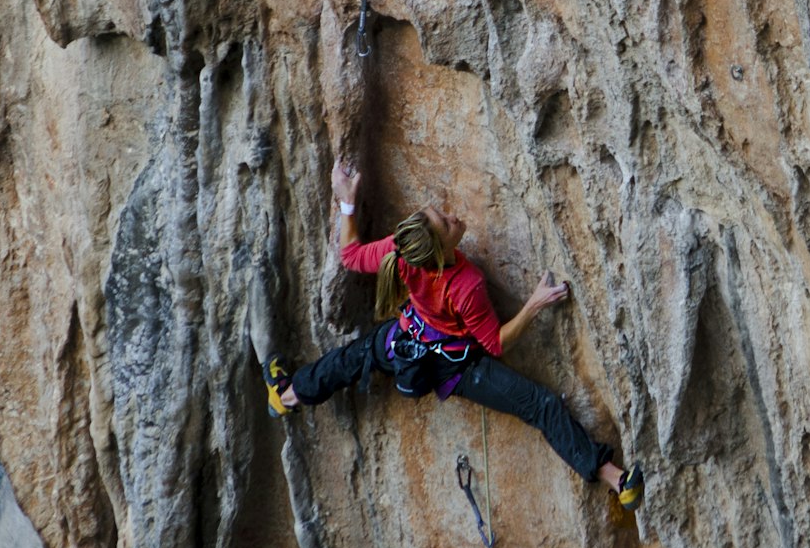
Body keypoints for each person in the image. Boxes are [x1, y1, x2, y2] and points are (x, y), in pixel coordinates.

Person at [265, 160, 644, 508]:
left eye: (442, 214)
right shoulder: (466, 285)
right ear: (439, 250)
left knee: (351, 359)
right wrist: (534, 305)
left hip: (406, 343)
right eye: (445, 223)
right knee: (541, 406)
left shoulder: (404, 252)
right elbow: (494, 343)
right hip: (458, 369)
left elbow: (351, 255)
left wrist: (347, 203)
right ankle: (617, 480)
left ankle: (288, 395)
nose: (452, 217)